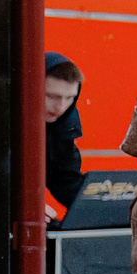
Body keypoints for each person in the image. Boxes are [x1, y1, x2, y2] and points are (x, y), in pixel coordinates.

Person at [44, 51, 86, 217]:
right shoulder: (3, 121)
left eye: (70, 98)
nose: (60, 106)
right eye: (52, 96)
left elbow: (65, 179)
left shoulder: (64, 125)